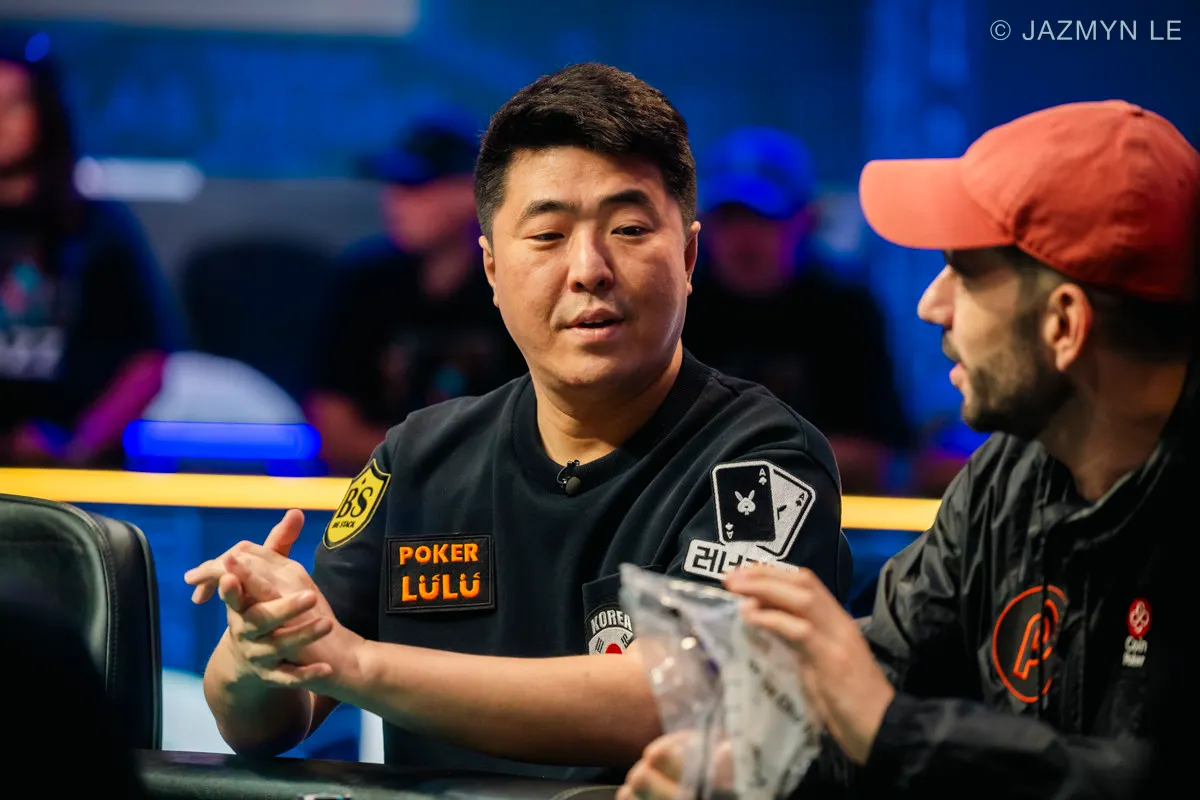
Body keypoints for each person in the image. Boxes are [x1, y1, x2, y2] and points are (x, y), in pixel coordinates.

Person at [185, 63, 852, 781]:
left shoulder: (763, 465)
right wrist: (257, 644)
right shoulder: (418, 459)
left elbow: (683, 693)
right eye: (548, 235)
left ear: (688, 256)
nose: (589, 268)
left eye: (629, 228)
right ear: (493, 269)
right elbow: (267, 721)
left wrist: (358, 664)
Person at [621, 99, 1197, 798]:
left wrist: (890, 729)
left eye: (965, 271)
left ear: (1063, 324)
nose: (932, 304)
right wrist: (745, 774)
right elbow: (884, 678)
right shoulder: (1005, 479)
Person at [684, 127, 911, 494]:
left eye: (763, 218)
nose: (744, 237)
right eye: (729, 218)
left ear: (806, 220)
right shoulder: (679, 305)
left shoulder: (845, 309)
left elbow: (874, 454)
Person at [307, 112, 525, 475]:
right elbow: (334, 433)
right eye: (393, 186)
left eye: (416, 187)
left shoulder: (518, 284)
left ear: (471, 194)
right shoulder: (362, 284)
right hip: (380, 489)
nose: (394, 202)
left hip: (498, 493)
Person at [0, 37, 182, 467]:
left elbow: (148, 363)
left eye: (13, 104)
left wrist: (77, 448)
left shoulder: (98, 229)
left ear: (46, 113)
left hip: (72, 478)